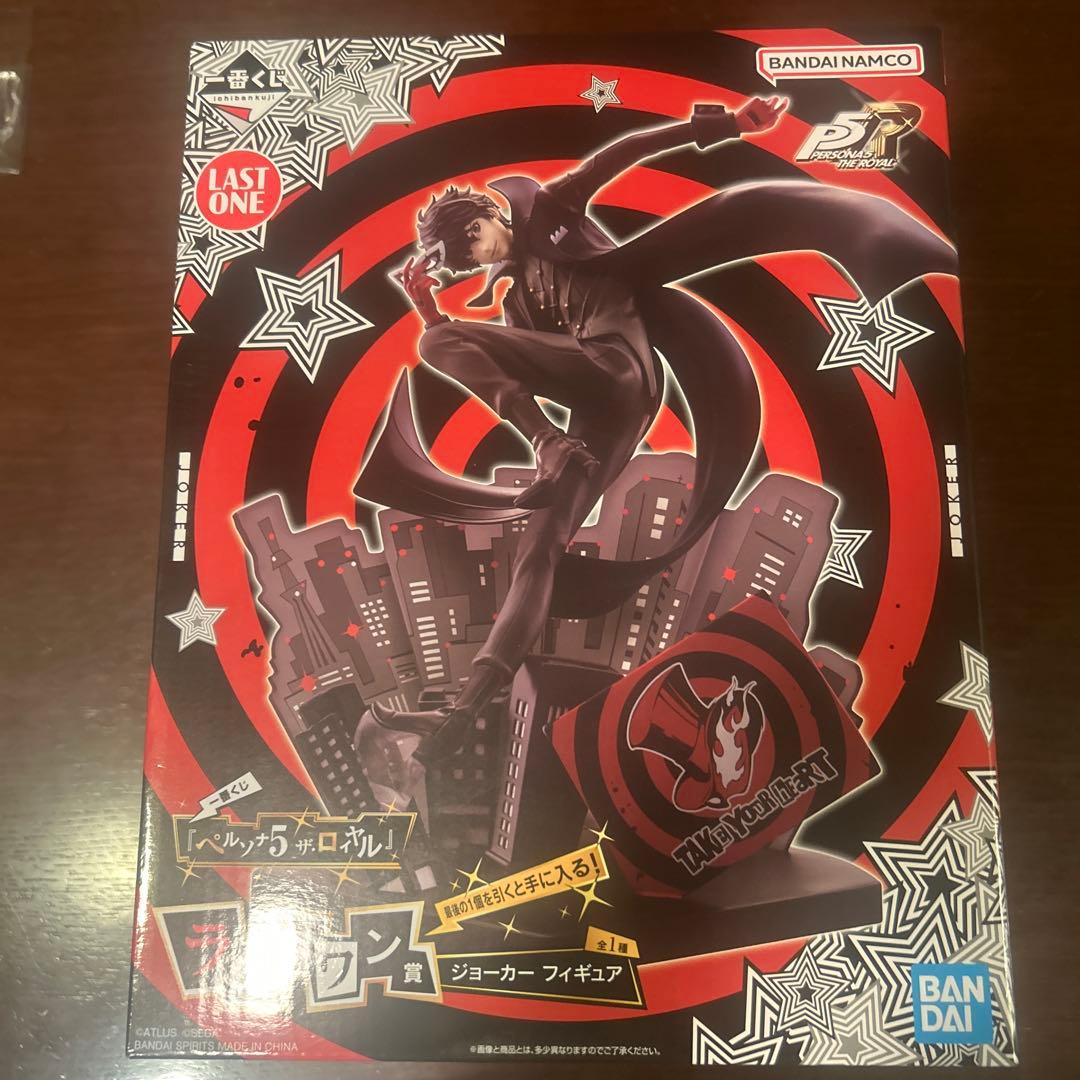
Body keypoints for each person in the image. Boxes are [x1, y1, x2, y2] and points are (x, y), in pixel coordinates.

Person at [359, 94, 955, 763]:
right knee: (539, 545)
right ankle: (465, 708)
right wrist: (427, 309)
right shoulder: (519, 302)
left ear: (486, 218)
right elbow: (509, 364)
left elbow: (623, 151)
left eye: (471, 245)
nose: (475, 260)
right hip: (598, 418)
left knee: (441, 343)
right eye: (465, 263)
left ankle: (549, 444)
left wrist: (727, 124)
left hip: (620, 371)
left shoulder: (550, 211)